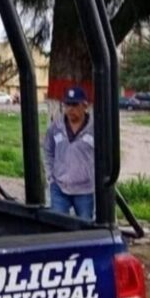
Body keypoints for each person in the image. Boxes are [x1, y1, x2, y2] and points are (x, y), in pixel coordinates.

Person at [43, 86, 95, 221]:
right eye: (67, 105)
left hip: (85, 190)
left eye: (74, 105)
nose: (70, 109)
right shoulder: (56, 127)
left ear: (85, 106)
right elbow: (48, 150)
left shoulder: (95, 129)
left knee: (85, 228)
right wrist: (50, 176)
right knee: (58, 227)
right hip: (59, 188)